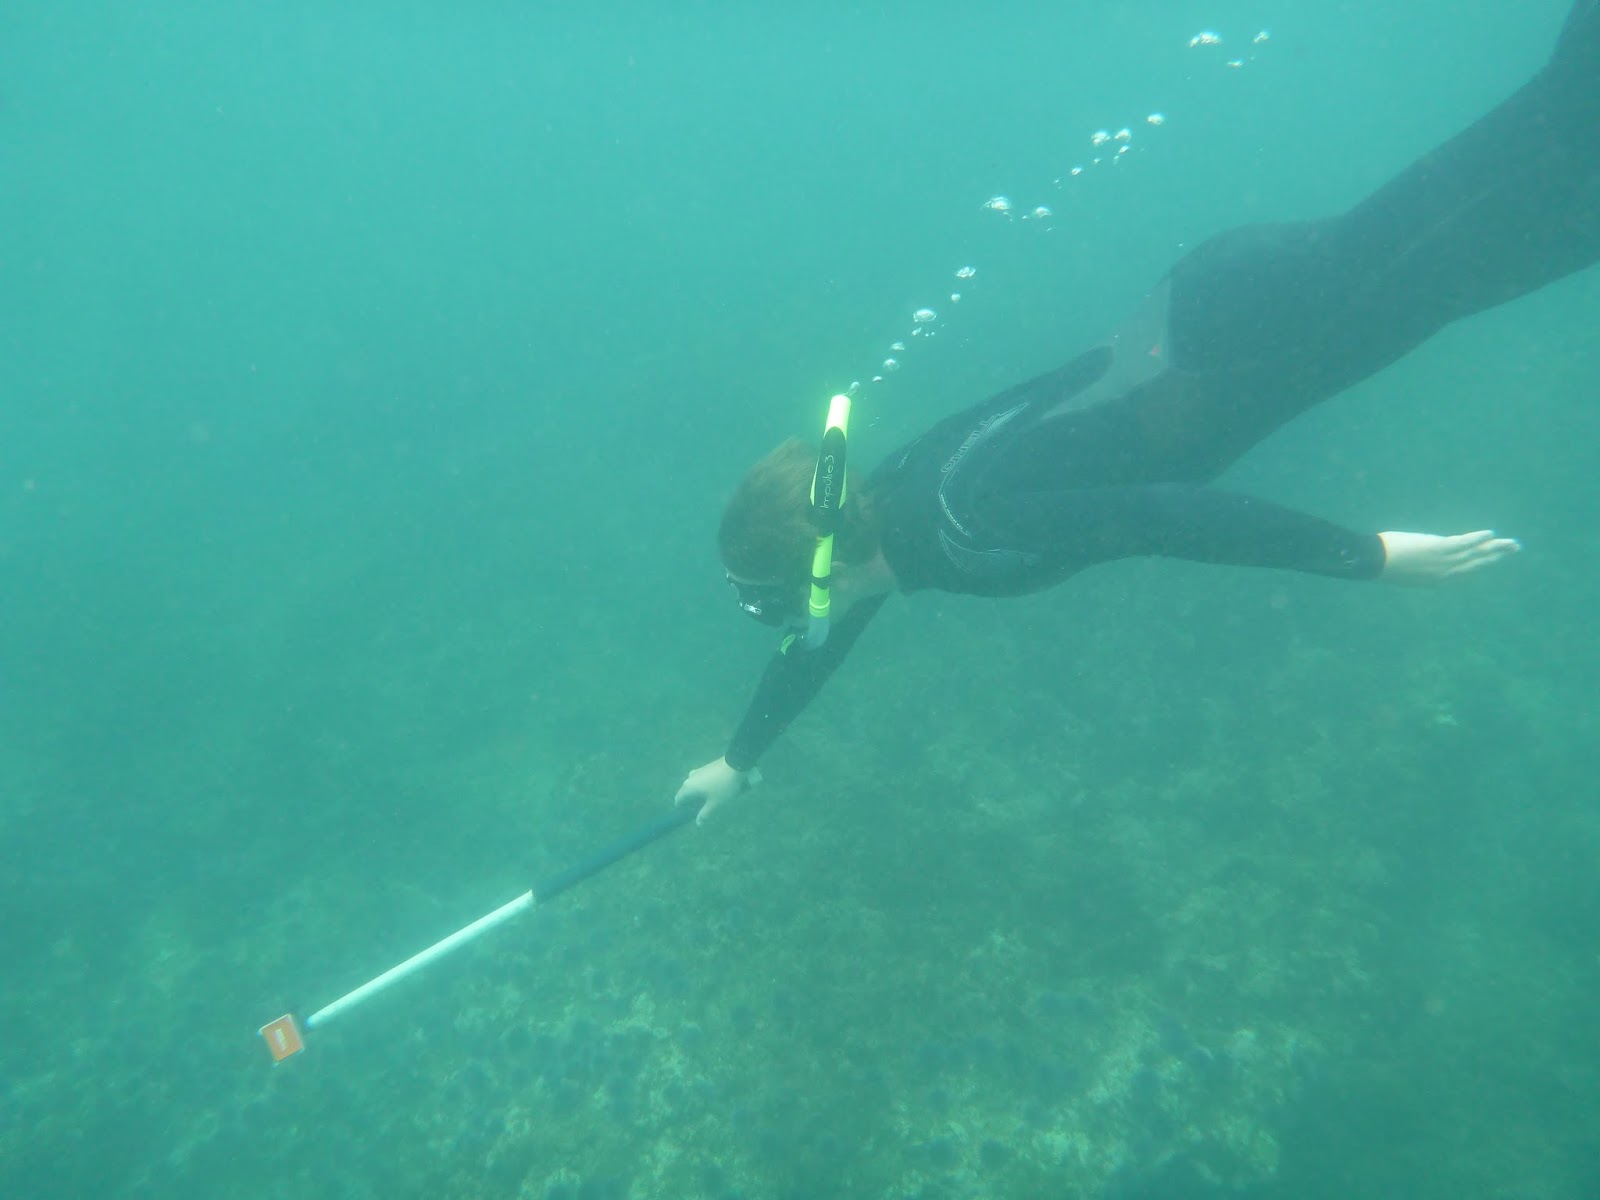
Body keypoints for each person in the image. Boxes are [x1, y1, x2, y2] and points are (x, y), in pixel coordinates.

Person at [677, 1, 1600, 824]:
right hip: (1215, 310)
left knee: (1514, 216)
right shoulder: (890, 506)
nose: (810, 628)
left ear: (827, 577)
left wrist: (1372, 559)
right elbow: (819, 644)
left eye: (800, 609)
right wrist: (738, 757)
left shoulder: (964, 526)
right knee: (1519, 171)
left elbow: (1159, 515)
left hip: (1256, 340)